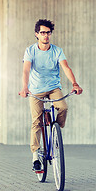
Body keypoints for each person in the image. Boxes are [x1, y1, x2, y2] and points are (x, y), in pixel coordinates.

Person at [19, 19, 83, 171]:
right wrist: (25, 87)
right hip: (35, 90)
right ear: (37, 34)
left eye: (48, 33)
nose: (46, 36)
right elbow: (26, 70)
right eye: (42, 33)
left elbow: (66, 68)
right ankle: (35, 157)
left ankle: (56, 131)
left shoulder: (57, 50)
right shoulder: (30, 51)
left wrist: (75, 83)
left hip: (54, 88)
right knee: (36, 122)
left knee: (63, 107)